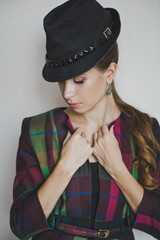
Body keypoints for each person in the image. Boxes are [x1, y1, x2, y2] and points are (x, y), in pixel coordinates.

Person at [10, 0, 160, 239]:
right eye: (62, 80)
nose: (67, 93)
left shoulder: (143, 130)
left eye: (79, 80)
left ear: (109, 74)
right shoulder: (37, 130)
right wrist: (65, 166)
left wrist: (117, 168)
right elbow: (20, 225)